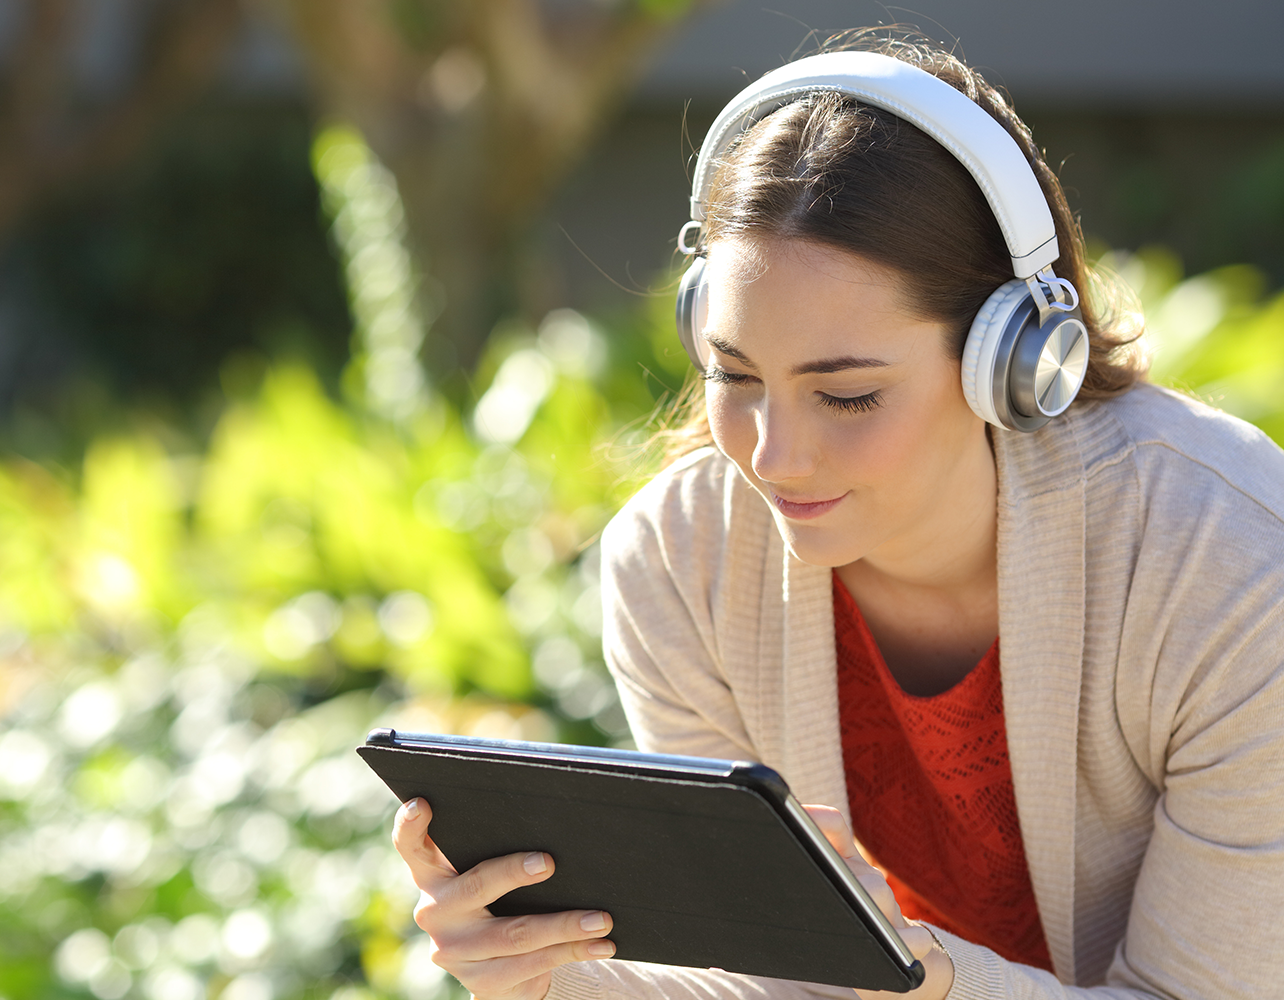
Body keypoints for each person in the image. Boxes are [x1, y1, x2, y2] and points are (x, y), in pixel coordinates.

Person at [391, 30, 1284, 1000]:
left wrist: (930, 979)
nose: (770, 456)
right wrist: (547, 981)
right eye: (734, 375)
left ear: (1012, 361)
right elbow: (770, 984)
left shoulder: (1227, 562)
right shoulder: (680, 562)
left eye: (847, 395)